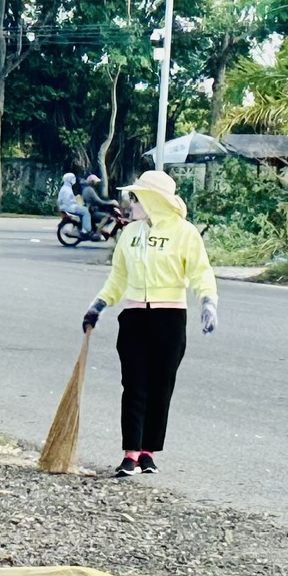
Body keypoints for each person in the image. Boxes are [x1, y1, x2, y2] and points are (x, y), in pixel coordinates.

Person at [81, 170, 218, 477]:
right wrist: (97, 307)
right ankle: (130, 452)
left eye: (137, 197)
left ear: (155, 200)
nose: (131, 203)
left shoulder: (185, 233)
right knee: (133, 384)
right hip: (134, 318)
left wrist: (208, 303)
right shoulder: (129, 234)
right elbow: (117, 278)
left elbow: (200, 272)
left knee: (161, 386)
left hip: (169, 319)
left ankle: (148, 452)